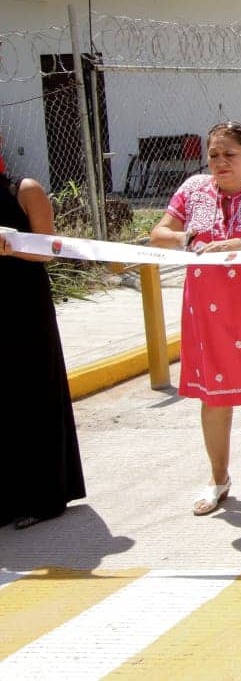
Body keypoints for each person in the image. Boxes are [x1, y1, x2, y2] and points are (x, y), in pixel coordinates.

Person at [149, 121, 241, 515]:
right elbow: (158, 234)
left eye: (229, 154)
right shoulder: (192, 191)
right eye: (214, 155)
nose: (220, 162)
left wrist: (239, 243)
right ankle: (219, 478)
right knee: (214, 396)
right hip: (208, 309)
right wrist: (190, 239)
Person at [0, 171, 86, 528]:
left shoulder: (24, 189)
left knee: (32, 395)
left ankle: (45, 497)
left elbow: (48, 249)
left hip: (22, 308)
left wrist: (10, 243)